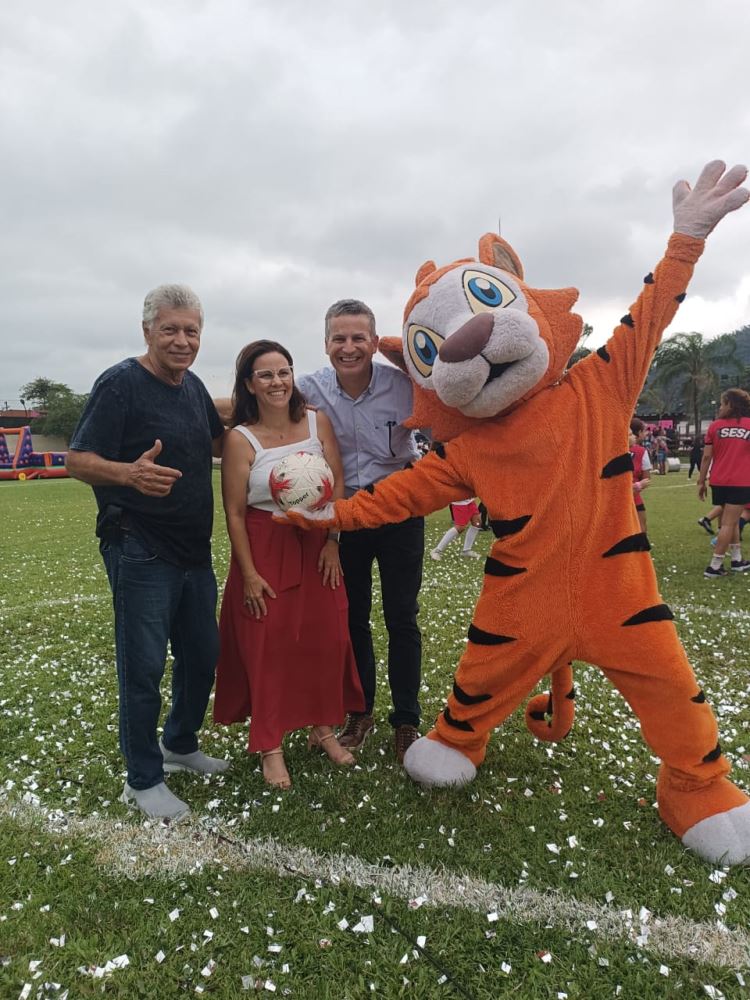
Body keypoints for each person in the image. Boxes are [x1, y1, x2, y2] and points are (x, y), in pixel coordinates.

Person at [67, 284, 229, 821]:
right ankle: (143, 779)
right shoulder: (120, 384)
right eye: (171, 330)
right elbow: (77, 459)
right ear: (147, 332)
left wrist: (282, 420)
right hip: (138, 547)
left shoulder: (193, 387)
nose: (182, 341)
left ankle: (179, 743)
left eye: (191, 331)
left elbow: (216, 438)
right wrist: (128, 473)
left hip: (193, 551)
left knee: (203, 655)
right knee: (143, 668)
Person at [213, 340, 363, 788]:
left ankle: (322, 730)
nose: (277, 382)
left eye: (284, 372)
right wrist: (250, 574)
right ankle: (270, 746)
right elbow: (235, 512)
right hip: (264, 547)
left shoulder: (317, 421)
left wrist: (333, 541)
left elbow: (339, 484)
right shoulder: (240, 438)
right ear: (249, 384)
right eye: (265, 375)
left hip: (318, 543)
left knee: (325, 639)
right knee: (269, 646)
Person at [296, 299, 423, 764]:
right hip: (344, 517)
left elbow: (452, 422)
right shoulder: (308, 388)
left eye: (357, 338)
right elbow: (256, 402)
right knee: (351, 619)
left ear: (374, 341)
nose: (348, 348)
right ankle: (359, 712)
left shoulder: (404, 387)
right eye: (338, 338)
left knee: (402, 616)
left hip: (398, 512)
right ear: (326, 342)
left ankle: (407, 720)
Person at [697, 388, 750, 578]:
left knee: (731, 520)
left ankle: (737, 560)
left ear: (731, 404)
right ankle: (715, 566)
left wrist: (701, 481)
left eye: (722, 403)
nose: (720, 407)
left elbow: (706, 457)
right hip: (740, 481)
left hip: (718, 481)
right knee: (728, 523)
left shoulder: (715, 426)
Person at [629, 418, 652, 534]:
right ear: (638, 433)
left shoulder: (613, 449)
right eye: (644, 431)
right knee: (641, 527)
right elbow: (647, 479)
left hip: (614, 497)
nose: (646, 433)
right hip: (634, 497)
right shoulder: (642, 451)